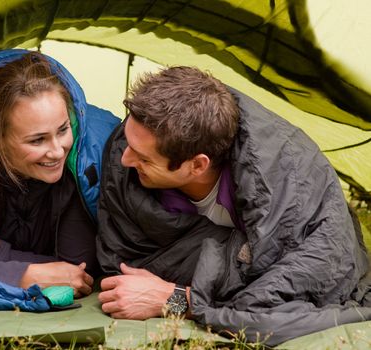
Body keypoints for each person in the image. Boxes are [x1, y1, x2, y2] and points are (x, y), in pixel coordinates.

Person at [96, 66, 371, 345]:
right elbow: (123, 253)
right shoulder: (129, 164)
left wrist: (177, 299)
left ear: (197, 165)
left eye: (144, 158)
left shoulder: (287, 182)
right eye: (130, 144)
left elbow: (283, 298)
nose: (125, 160)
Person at [0, 51, 119, 298]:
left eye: (63, 130)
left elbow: (76, 266)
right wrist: (24, 275)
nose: (57, 151)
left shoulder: (80, 166)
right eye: (37, 140)